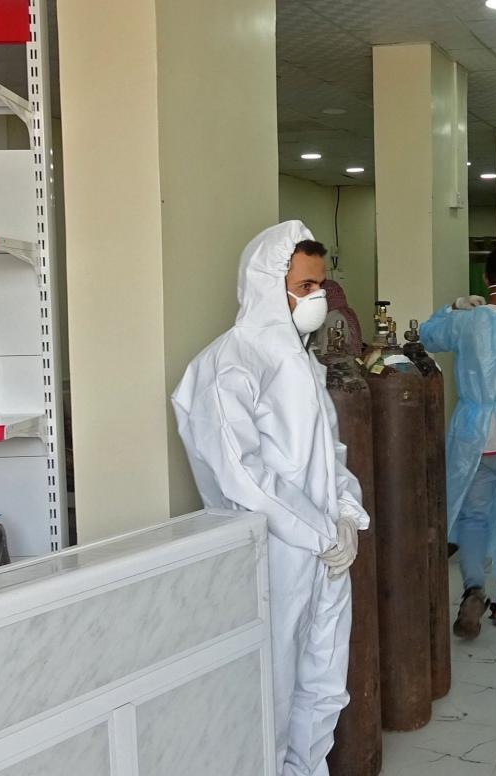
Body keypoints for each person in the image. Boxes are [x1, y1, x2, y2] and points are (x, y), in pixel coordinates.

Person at [171, 223, 367, 776]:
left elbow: (329, 453)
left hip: (326, 555)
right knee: (272, 693)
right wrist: (321, 532)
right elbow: (244, 477)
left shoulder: (301, 363)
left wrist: (347, 512)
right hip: (275, 559)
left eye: (321, 286)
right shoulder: (227, 366)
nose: (318, 299)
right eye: (306, 287)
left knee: (324, 686)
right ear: (266, 284)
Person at [420, 246, 496, 636]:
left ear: (486, 280)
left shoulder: (466, 322)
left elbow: (425, 336)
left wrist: (454, 307)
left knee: (474, 517)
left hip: (474, 434)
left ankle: (474, 588)